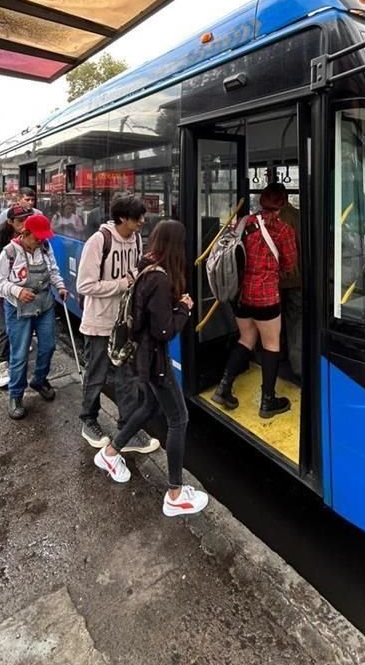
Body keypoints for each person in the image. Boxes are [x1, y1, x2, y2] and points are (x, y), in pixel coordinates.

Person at [94, 220, 208, 517]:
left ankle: (110, 452)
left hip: (141, 356)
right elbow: (164, 331)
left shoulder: (147, 264)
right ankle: (175, 493)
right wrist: (184, 307)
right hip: (153, 359)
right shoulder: (160, 280)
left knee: (150, 407)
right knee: (179, 420)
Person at [77, 193, 159, 454]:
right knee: (97, 372)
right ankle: (89, 420)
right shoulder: (99, 241)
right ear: (122, 217)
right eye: (137, 218)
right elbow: (85, 285)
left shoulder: (135, 239)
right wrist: (123, 284)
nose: (142, 222)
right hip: (100, 321)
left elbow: (134, 272)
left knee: (127, 375)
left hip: (125, 321)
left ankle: (127, 428)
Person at [211, 184, 298, 418]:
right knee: (271, 345)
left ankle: (223, 387)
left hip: (243, 296)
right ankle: (268, 401)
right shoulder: (283, 230)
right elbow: (290, 266)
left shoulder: (245, 223)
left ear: (261, 201)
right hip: (267, 297)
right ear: (283, 204)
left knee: (246, 339)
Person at [0, 214, 67, 420]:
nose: (40, 241)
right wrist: (17, 291)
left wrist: (60, 286)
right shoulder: (8, 253)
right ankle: (16, 394)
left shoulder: (44, 248)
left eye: (43, 238)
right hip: (19, 309)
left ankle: (39, 379)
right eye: (37, 237)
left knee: (48, 345)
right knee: (19, 354)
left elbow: (52, 270)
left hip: (44, 305)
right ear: (25, 233)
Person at [0, 205, 33, 389]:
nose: (24, 224)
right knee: (5, 330)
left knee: (22, 332)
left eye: (27, 219)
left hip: (25, 294)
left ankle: (19, 364)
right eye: (20, 221)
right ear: (10, 222)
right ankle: (3, 365)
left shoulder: (33, 237)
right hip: (4, 294)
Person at [276, 184, 303, 380]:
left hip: (274, 282)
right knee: (295, 322)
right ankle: (297, 366)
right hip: (295, 279)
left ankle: (277, 354)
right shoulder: (297, 216)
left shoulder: (266, 220)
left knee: (276, 321)